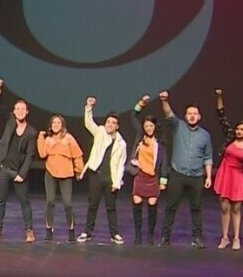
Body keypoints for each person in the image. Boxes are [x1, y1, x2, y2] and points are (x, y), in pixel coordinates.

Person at [159, 90, 213, 249]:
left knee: (196, 208)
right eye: (189, 114)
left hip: (196, 176)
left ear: (199, 116)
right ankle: (165, 237)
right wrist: (164, 101)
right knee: (171, 206)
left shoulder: (205, 135)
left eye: (195, 114)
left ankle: (197, 238)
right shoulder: (179, 126)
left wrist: (209, 176)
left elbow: (208, 156)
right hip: (178, 174)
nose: (192, 116)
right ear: (185, 116)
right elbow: (168, 113)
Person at [0, 79, 38, 243]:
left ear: (27, 112)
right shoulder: (10, 120)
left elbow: (30, 155)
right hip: (3, 167)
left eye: (23, 109)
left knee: (24, 201)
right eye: (18, 109)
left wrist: (22, 175)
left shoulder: (31, 132)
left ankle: (29, 231)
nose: (20, 111)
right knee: (0, 201)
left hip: (18, 172)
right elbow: (0, 108)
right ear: (14, 111)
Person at [213, 89, 243, 251]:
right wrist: (219, 97)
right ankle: (225, 237)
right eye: (238, 129)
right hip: (225, 173)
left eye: (242, 129)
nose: (239, 131)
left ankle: (236, 238)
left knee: (236, 208)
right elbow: (222, 117)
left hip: (239, 176)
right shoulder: (230, 137)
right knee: (224, 207)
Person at [77, 97, 127, 244]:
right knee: (93, 205)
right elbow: (88, 123)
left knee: (111, 207)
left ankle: (114, 234)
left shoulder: (121, 143)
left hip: (110, 179)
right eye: (108, 122)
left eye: (113, 123)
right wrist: (89, 107)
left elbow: (121, 165)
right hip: (96, 176)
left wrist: (117, 182)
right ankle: (87, 232)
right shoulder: (100, 132)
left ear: (117, 126)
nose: (110, 124)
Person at [36, 114, 85, 243]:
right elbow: (42, 154)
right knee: (50, 201)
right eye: (54, 123)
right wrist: (40, 137)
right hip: (50, 173)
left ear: (62, 125)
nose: (56, 125)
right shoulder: (48, 140)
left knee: (68, 203)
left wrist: (79, 170)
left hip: (66, 174)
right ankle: (49, 230)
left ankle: (71, 230)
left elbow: (77, 155)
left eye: (58, 123)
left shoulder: (68, 138)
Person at [128, 95, 168, 245]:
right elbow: (133, 116)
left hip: (153, 178)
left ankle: (150, 235)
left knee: (152, 207)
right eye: (146, 126)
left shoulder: (160, 142)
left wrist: (163, 180)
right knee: (137, 206)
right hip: (140, 176)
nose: (148, 128)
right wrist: (141, 103)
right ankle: (138, 235)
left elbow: (164, 161)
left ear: (155, 126)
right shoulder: (140, 136)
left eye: (151, 126)